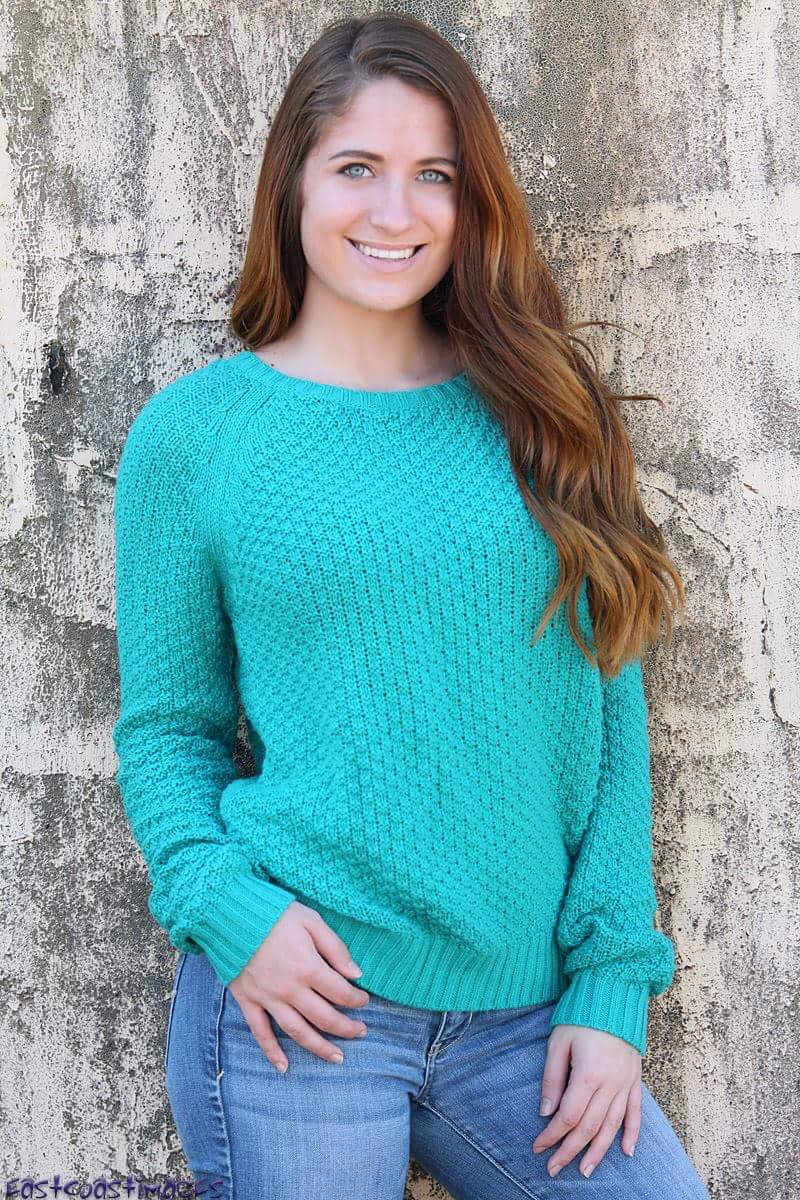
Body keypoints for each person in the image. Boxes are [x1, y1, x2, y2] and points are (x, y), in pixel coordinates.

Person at [111, 12, 711, 1199]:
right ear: (292, 183)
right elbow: (170, 731)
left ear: (469, 200)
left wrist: (610, 985)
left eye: (433, 175)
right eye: (356, 168)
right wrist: (225, 907)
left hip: (524, 1022)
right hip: (302, 1003)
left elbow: (608, 711)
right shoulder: (195, 437)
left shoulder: (545, 410)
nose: (395, 212)